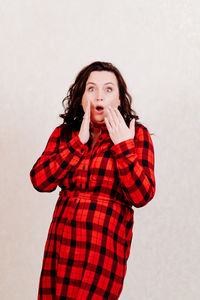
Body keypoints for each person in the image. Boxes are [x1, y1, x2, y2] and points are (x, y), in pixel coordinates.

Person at [30, 61, 156, 299]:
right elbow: (39, 180)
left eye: (108, 89)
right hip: (61, 243)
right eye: (91, 89)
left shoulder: (136, 134)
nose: (100, 96)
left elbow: (143, 195)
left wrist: (123, 147)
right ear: (81, 97)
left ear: (119, 99)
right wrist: (78, 143)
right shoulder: (65, 133)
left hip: (102, 248)